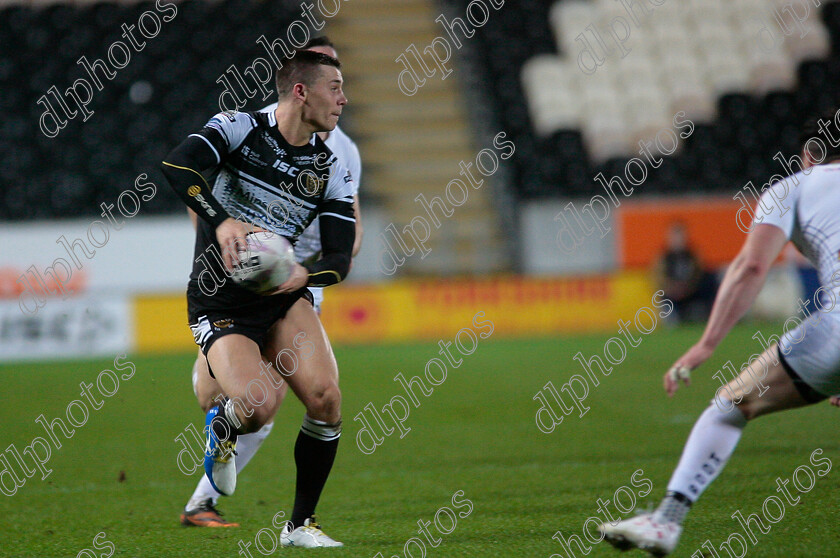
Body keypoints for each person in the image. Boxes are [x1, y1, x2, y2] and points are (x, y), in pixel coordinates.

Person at [600, 115, 840, 555]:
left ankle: (666, 521)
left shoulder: (793, 188)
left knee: (729, 405)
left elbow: (750, 268)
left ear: (808, 156)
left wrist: (706, 343)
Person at [162, 49, 353, 547]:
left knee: (326, 399)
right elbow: (177, 164)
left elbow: (340, 255)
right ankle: (223, 428)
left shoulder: (330, 166)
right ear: (300, 91)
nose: (343, 99)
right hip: (220, 302)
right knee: (257, 408)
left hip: (283, 299)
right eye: (334, 88)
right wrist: (221, 218)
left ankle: (300, 526)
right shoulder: (237, 128)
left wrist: (306, 275)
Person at [654, 222, 715, 323]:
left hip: (691, 292)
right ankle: (673, 316)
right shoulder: (663, 257)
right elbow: (658, 277)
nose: (677, 239)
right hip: (672, 295)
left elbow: (699, 274)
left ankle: (708, 313)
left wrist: (687, 287)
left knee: (710, 281)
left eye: (680, 236)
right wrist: (672, 288)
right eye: (674, 236)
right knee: (664, 298)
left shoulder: (692, 255)